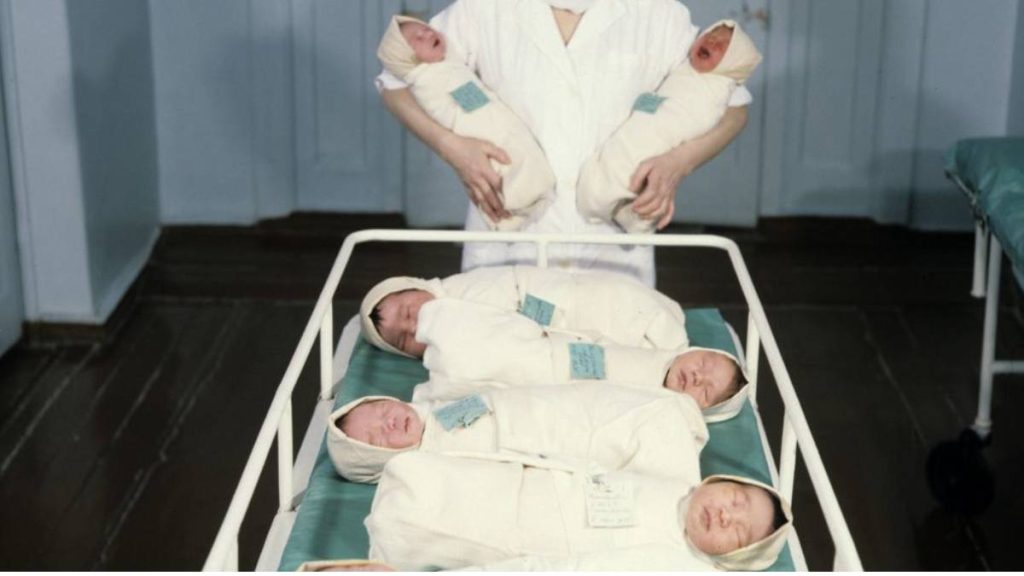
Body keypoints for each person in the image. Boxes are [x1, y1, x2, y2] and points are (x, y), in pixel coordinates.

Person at [376, 0, 752, 286]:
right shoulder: (484, 8)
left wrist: (679, 162)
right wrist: (452, 148)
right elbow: (395, 82)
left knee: (612, 371)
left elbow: (733, 106)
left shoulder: (657, 13)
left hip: (611, 236)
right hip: (510, 231)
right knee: (496, 363)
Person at [365, 452, 792, 571]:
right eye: (735, 500)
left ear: (730, 560)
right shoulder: (675, 480)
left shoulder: (676, 564)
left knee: (405, 526)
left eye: (737, 534)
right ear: (717, 483)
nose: (724, 516)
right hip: (526, 483)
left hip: (527, 540)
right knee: (423, 474)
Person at [413, 297, 749, 422]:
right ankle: (430, 326)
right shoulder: (656, 344)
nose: (697, 378)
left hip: (549, 394)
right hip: (549, 349)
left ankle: (434, 398)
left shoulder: (657, 412)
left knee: (488, 391)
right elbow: (597, 332)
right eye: (703, 365)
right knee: (483, 338)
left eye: (705, 392)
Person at [577, 20, 762, 233]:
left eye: (722, 43)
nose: (713, 40)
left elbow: (737, 112)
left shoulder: (665, 17)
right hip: (540, 223)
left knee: (631, 196)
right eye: (713, 35)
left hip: (616, 228)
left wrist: (681, 160)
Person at [377, 15, 555, 231]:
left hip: (592, 221)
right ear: (406, 58)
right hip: (490, 140)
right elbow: (390, 81)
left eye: (425, 29)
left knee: (523, 164)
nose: (428, 33)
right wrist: (449, 146)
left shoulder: (445, 58)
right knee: (506, 170)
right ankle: (514, 208)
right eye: (418, 37)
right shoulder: (426, 74)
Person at [326, 383, 707, 483]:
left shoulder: (437, 404)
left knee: (643, 406)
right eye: (377, 439)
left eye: (378, 410)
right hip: (560, 442)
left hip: (567, 405)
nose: (388, 421)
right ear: (382, 463)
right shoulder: (435, 464)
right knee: (643, 432)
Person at [359, 265, 687, 359]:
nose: (414, 324)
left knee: (612, 308)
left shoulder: (464, 289)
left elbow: (517, 291)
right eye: (403, 340)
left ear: (417, 283)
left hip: (570, 303)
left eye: (407, 309)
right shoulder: (446, 356)